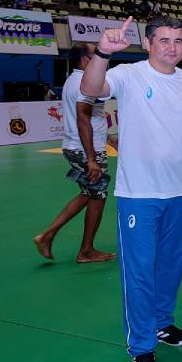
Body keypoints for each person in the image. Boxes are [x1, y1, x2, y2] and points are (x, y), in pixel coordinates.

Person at [80, 16, 182, 362]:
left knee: (171, 266)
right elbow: (91, 87)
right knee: (140, 272)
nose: (173, 48)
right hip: (139, 195)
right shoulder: (129, 74)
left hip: (178, 191)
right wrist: (101, 53)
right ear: (147, 44)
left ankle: (163, 323)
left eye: (178, 41)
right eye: (164, 41)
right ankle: (142, 348)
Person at [34, 43, 115, 263]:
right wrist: (91, 159)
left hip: (80, 146)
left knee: (88, 193)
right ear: (85, 59)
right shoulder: (83, 83)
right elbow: (82, 121)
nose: (102, 58)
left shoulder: (75, 79)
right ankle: (86, 251)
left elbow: (91, 117)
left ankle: (48, 235)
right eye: (96, 54)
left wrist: (107, 138)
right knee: (98, 196)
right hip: (86, 150)